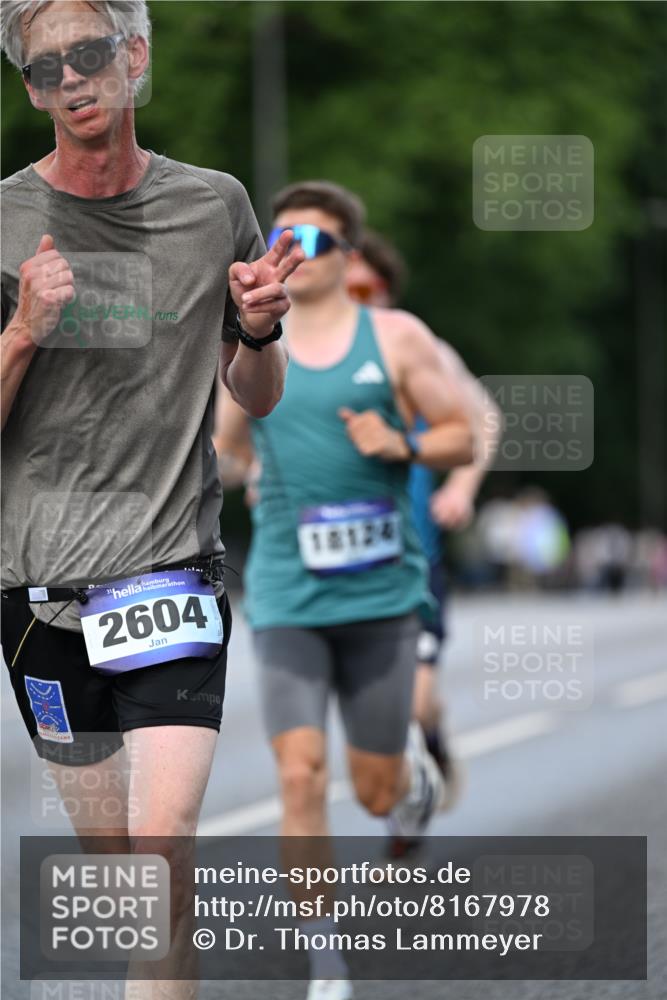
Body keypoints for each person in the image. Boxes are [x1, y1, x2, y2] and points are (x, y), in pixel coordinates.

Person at [0, 3, 302, 998]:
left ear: (136, 55)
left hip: (169, 571)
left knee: (163, 844)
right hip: (39, 594)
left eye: (89, 55)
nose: (72, 82)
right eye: (47, 71)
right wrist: (23, 331)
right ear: (31, 88)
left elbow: (253, 392)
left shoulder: (212, 205)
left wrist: (257, 334)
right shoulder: (3, 223)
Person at [215, 180, 476, 1000]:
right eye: (284, 234)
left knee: (371, 791)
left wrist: (398, 441)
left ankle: (410, 787)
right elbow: (226, 450)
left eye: (317, 240)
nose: (296, 249)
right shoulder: (255, 336)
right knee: (298, 775)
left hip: (380, 599)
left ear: (348, 255)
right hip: (288, 595)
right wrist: (230, 472)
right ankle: (324, 960)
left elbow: (461, 432)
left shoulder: (393, 338)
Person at [347, 229, 501, 861]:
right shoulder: (303, 344)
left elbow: (481, 417)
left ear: (385, 291)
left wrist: (462, 486)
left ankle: (424, 759)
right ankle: (407, 772)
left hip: (413, 554)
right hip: (338, 562)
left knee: (415, 698)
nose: (352, 299)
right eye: (342, 285)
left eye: (364, 288)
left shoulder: (418, 345)